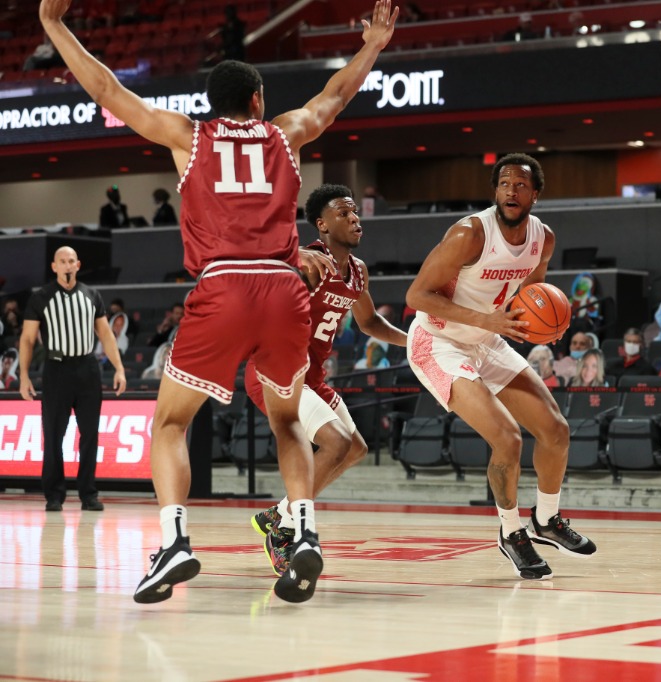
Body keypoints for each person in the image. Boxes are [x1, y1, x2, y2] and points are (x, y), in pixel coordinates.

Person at [39, 0, 399, 603]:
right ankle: (305, 531)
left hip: (224, 284)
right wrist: (372, 46)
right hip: (287, 290)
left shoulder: (187, 136)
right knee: (287, 422)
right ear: (258, 100)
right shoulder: (286, 133)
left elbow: (106, 87)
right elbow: (335, 95)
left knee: (172, 421)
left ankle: (176, 543)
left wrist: (55, 25)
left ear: (214, 103)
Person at [404, 152, 596, 581]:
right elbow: (416, 295)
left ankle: (546, 519)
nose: (512, 190)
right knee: (507, 438)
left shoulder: (542, 238)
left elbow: (532, 289)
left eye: (521, 185)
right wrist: (487, 320)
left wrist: (546, 324)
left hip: (487, 339)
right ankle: (511, 533)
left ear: (535, 194)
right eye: (505, 183)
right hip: (439, 342)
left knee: (555, 430)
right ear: (496, 191)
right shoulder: (470, 234)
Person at [246, 184, 407, 576]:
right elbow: (258, 265)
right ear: (322, 225)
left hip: (314, 376)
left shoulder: (358, 271)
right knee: (334, 442)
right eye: (343, 213)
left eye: (355, 212)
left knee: (355, 448)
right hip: (278, 373)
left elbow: (368, 322)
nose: (354, 219)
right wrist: (289, 254)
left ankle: (279, 513)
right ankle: (285, 531)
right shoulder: (306, 261)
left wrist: (414, 341)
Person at [18, 246, 127, 511]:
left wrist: (119, 368)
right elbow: (28, 338)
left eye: (71, 261)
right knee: (54, 434)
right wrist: (23, 375)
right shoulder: (41, 297)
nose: (67, 265)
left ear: (78, 265)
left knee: (90, 434)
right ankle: (54, 494)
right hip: (57, 370)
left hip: (87, 368)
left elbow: (106, 334)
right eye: (62, 261)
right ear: (54, 267)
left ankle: (88, 493)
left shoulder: (91, 295)